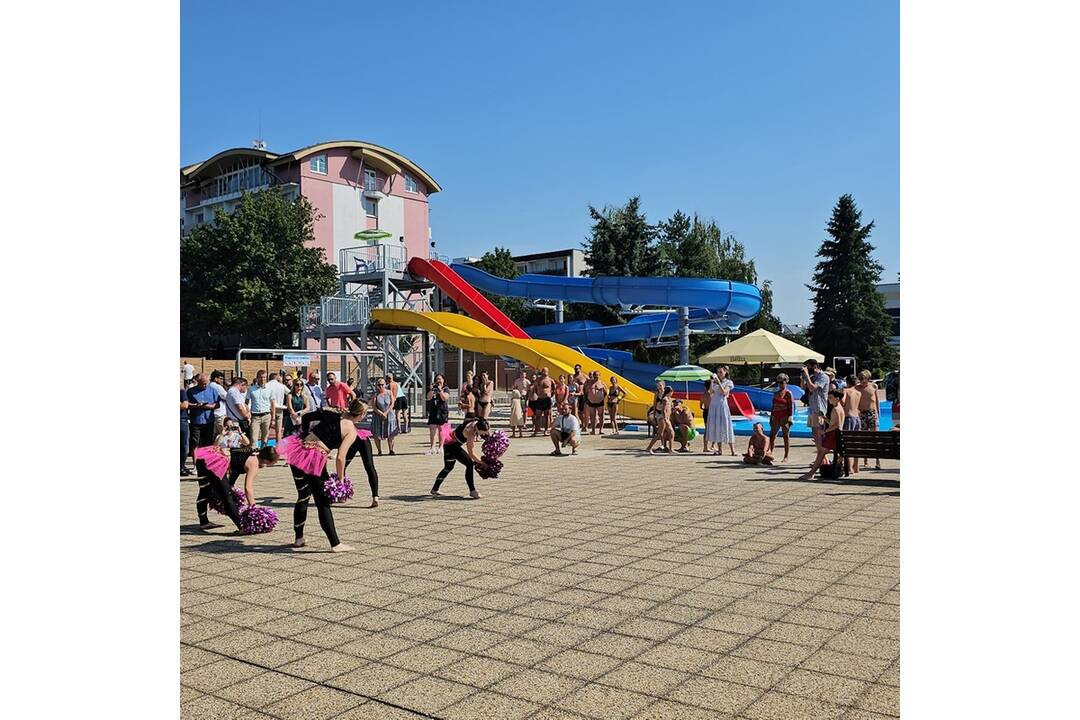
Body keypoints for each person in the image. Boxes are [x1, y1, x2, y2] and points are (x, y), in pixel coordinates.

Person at [283, 399, 366, 550]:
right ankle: (336, 543)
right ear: (361, 414)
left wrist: (307, 434)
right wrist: (340, 479)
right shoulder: (351, 430)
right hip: (314, 458)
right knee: (322, 502)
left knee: (303, 495)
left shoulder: (331, 413)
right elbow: (340, 458)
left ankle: (299, 538)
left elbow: (306, 417)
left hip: (298, 450)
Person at [431, 417, 490, 499]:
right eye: (482, 433)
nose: (483, 435)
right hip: (451, 446)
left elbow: (487, 431)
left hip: (449, 441)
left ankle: (434, 489)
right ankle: (472, 491)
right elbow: (471, 453)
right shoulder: (470, 432)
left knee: (448, 468)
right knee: (469, 464)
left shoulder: (478, 422)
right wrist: (483, 463)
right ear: (477, 428)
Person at [801, 390, 845, 481]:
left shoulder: (836, 409)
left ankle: (811, 473)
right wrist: (824, 418)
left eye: (830, 398)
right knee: (821, 453)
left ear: (837, 399)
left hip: (833, 435)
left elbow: (837, 425)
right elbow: (834, 423)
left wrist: (825, 431)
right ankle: (811, 473)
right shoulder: (839, 408)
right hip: (836, 435)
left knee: (821, 453)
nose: (828, 400)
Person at [187, 374, 220, 463]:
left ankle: (207, 462)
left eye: (206, 384)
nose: (205, 386)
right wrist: (195, 405)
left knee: (208, 443)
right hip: (196, 420)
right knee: (195, 443)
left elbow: (217, 404)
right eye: (202, 384)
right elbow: (186, 404)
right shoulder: (191, 391)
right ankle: (195, 464)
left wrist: (208, 406)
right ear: (198, 382)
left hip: (208, 420)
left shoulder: (213, 390)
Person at [801, 359, 830, 460]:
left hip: (819, 408)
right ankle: (822, 459)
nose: (808, 369)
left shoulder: (823, 377)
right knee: (814, 434)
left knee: (819, 435)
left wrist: (808, 376)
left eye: (809, 367)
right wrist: (803, 376)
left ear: (815, 366)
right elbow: (803, 387)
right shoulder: (813, 376)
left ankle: (823, 459)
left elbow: (812, 388)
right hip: (812, 408)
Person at [705, 368, 736, 456]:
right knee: (716, 427)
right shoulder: (715, 382)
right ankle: (719, 449)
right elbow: (710, 392)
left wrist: (719, 383)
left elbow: (724, 392)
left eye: (721, 372)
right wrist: (712, 381)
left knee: (726, 425)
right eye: (718, 372)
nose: (719, 373)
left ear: (725, 373)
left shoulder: (728, 382)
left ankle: (732, 450)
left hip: (722, 406)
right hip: (714, 406)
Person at [855, 370, 882, 470]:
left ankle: (877, 460)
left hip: (872, 413)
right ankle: (866, 459)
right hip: (862, 413)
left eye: (863, 379)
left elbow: (877, 401)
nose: (861, 381)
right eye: (860, 378)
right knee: (864, 438)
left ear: (868, 378)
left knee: (875, 437)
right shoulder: (856, 388)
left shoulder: (873, 387)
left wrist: (878, 414)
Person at [767, 373, 795, 463]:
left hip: (784, 416)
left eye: (782, 382)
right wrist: (771, 417)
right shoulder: (776, 393)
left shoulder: (788, 393)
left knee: (785, 436)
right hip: (776, 415)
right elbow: (773, 406)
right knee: (772, 435)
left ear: (786, 382)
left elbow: (791, 406)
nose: (780, 384)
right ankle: (770, 452)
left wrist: (790, 417)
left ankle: (786, 456)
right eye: (779, 382)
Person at [245, 370, 275, 448]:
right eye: (261, 377)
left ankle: (263, 456)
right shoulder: (251, 389)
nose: (262, 379)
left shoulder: (270, 389)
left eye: (264, 377)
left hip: (266, 416)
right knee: (254, 439)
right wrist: (247, 413)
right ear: (257, 378)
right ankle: (254, 457)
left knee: (265, 440)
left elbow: (273, 404)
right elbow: (246, 402)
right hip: (255, 416)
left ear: (266, 378)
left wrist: (273, 418)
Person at [370, 377, 399, 455]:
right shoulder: (375, 395)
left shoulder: (389, 393)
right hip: (378, 416)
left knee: (391, 433)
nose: (381, 386)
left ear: (385, 385)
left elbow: (392, 403)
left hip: (389, 415)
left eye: (382, 384)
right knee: (377, 434)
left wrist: (386, 412)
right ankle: (379, 451)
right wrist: (381, 413)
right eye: (379, 385)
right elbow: (374, 406)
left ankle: (391, 450)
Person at [645, 386, 675, 454]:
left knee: (672, 433)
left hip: (666, 418)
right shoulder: (665, 399)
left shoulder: (669, 398)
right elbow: (663, 410)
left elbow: (668, 409)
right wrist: (665, 418)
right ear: (670, 392)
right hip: (663, 418)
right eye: (672, 392)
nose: (672, 393)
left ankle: (671, 449)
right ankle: (649, 448)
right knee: (659, 434)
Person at [426, 374, 450, 454]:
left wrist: (440, 391)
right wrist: (432, 390)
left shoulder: (446, 389)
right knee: (432, 429)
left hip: (442, 411)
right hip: (433, 410)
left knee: (442, 429)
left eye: (440, 379)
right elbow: (428, 397)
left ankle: (441, 446)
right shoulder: (433, 388)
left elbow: (445, 398)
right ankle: (432, 446)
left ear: (443, 380)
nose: (438, 381)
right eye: (437, 379)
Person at [266, 370, 288, 444]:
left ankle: (264, 445)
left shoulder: (266, 385)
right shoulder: (281, 386)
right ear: (276, 378)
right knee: (278, 430)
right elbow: (289, 393)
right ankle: (278, 446)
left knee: (267, 429)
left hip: (268, 409)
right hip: (279, 408)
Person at [532, 368, 555, 436]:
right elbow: (535, 389)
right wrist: (539, 394)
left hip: (547, 399)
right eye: (543, 371)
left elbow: (553, 389)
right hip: (540, 399)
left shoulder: (550, 380)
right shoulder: (538, 380)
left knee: (547, 416)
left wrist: (549, 396)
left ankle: (546, 430)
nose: (544, 372)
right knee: (537, 415)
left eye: (545, 371)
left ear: (548, 372)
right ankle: (536, 430)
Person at [208, 370, 229, 437]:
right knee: (225, 436)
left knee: (215, 437)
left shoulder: (208, 386)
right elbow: (227, 397)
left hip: (212, 415)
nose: (222, 380)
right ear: (215, 378)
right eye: (220, 378)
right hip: (220, 414)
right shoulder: (217, 386)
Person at [180, 386, 191, 476]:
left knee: (184, 447)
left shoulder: (181, 392)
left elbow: (185, 405)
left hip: (182, 420)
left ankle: (181, 466)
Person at [700, 378, 713, 453]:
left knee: (706, 430)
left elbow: (701, 406)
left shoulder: (702, 395)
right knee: (714, 429)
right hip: (711, 412)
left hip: (705, 412)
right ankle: (712, 445)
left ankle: (705, 447)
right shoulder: (711, 395)